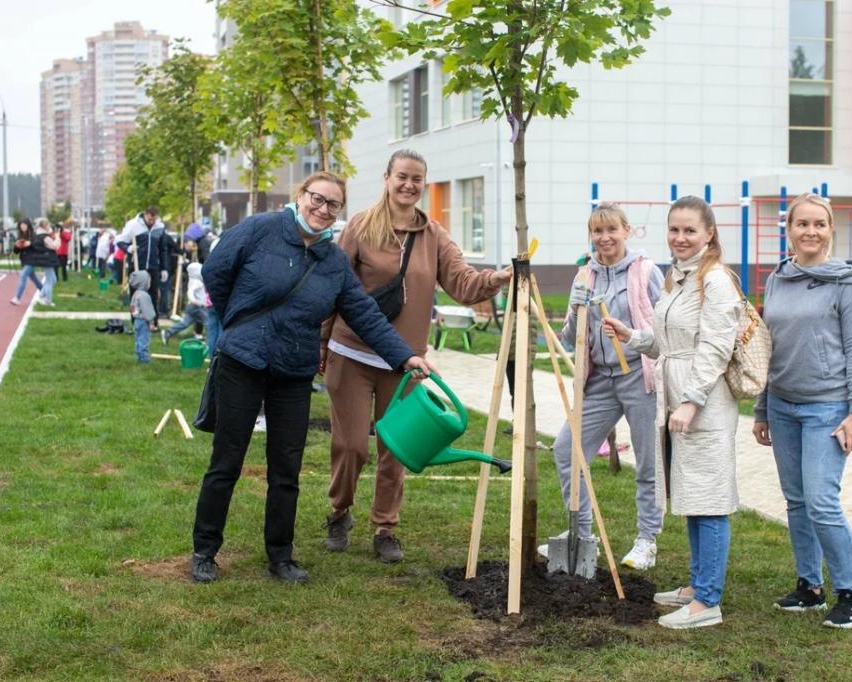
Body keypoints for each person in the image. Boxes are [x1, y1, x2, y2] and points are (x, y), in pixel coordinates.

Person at [190, 170, 434, 584]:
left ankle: (281, 557)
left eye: (332, 204)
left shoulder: (333, 262)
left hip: (293, 370)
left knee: (286, 469)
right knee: (226, 462)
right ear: (300, 196)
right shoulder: (260, 229)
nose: (322, 209)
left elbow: (364, 315)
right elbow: (217, 269)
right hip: (242, 361)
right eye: (316, 199)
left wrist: (404, 357)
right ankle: (205, 551)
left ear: (339, 212)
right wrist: (239, 319)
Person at [321, 149, 510, 564]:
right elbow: (332, 286)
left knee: (397, 449)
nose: (409, 185)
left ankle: (385, 527)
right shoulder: (360, 228)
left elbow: (462, 282)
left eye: (417, 179)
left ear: (423, 184)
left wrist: (496, 279)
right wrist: (320, 345)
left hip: (405, 364)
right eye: (402, 176)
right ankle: (339, 511)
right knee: (351, 445)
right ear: (387, 178)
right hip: (351, 352)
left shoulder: (434, 236)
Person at [603, 196, 742, 628]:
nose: (680, 238)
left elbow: (715, 348)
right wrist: (634, 336)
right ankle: (698, 583)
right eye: (674, 230)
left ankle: (707, 602)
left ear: (709, 234)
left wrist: (690, 400)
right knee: (690, 495)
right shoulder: (678, 278)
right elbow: (671, 340)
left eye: (689, 231)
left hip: (703, 402)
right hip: (677, 398)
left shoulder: (715, 281)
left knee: (710, 499)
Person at [752, 192, 852, 629]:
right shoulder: (777, 279)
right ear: (790, 230)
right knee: (797, 501)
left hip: (827, 407)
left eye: (819, 224)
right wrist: (762, 408)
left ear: (831, 230)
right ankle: (809, 587)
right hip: (782, 406)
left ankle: (850, 592)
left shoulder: (846, 282)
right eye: (802, 224)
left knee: (821, 501)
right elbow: (768, 346)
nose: (811, 232)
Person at [538, 202, 665, 571]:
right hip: (600, 380)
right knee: (567, 450)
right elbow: (568, 338)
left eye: (612, 230)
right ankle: (580, 534)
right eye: (597, 231)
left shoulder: (645, 272)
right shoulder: (584, 276)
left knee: (647, 462)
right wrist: (576, 309)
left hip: (639, 376)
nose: (604, 238)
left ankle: (647, 540)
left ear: (627, 231)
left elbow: (665, 328)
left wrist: (634, 335)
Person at [117, 206, 169, 327]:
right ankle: (134, 321)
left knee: (153, 295)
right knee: (135, 296)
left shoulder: (160, 227)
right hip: (137, 266)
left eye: (154, 219)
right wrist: (128, 248)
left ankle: (153, 322)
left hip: (153, 266)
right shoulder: (133, 225)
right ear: (145, 215)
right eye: (150, 219)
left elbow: (163, 249)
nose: (152, 222)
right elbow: (120, 241)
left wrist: (164, 268)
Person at [161, 262, 207, 345]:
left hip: (192, 307)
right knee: (209, 323)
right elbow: (190, 292)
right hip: (197, 307)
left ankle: (168, 332)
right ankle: (211, 342)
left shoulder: (193, 280)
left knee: (185, 323)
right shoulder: (197, 282)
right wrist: (194, 301)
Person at [23, 219, 60, 306]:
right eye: (48, 225)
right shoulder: (45, 237)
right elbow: (55, 246)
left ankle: (41, 296)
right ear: (45, 225)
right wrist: (57, 236)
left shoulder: (37, 234)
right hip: (47, 260)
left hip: (43, 259)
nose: (50, 227)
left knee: (53, 279)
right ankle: (48, 300)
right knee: (50, 281)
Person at [9, 218, 43, 305]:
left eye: (24, 225)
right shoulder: (20, 236)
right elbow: (17, 251)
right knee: (34, 279)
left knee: (23, 275)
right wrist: (16, 246)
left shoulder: (33, 235)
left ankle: (17, 297)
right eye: (21, 225)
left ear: (28, 225)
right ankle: (45, 292)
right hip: (24, 260)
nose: (23, 227)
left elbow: (38, 247)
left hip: (32, 259)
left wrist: (30, 244)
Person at [129, 271, 154, 364]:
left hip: (137, 321)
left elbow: (131, 307)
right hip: (144, 322)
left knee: (138, 339)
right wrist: (151, 322)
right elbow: (148, 311)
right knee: (144, 339)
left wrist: (134, 315)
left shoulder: (136, 294)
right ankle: (144, 358)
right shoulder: (145, 296)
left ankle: (139, 355)